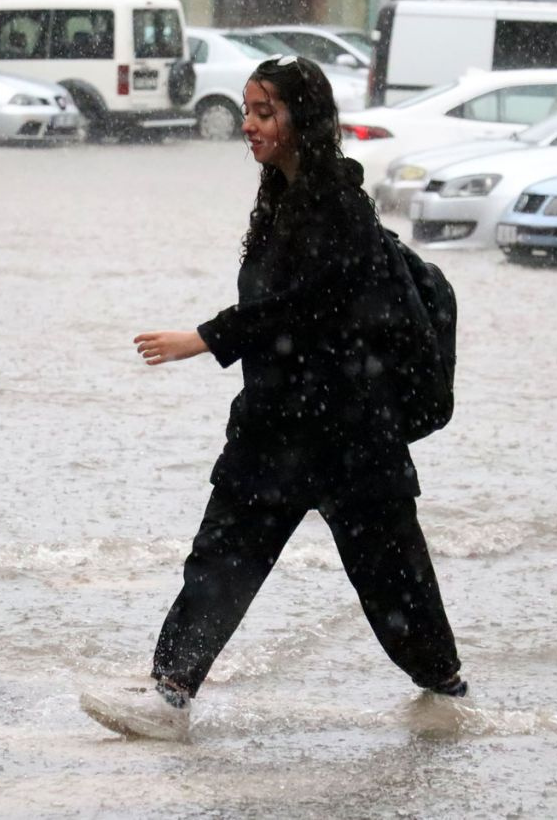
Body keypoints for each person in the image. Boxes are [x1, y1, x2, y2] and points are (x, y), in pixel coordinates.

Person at [80, 56, 465, 742]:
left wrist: (204, 336)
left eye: (265, 113)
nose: (250, 126)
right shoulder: (279, 197)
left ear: (302, 120)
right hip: (276, 427)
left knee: (393, 577)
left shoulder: (341, 207)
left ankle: (449, 697)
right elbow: (282, 309)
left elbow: (306, 306)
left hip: (350, 432)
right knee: (221, 557)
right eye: (248, 111)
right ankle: (169, 696)